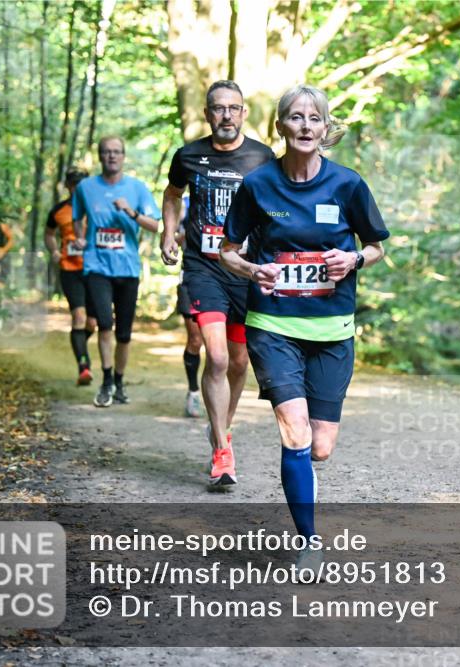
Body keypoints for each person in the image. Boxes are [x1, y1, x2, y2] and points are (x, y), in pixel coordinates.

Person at [221, 84, 388, 571]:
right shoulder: (257, 185)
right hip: (273, 324)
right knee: (293, 431)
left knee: (319, 445)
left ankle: (304, 487)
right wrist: (253, 270)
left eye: (314, 118)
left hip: (332, 328)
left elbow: (377, 246)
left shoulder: (348, 184)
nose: (305, 126)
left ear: (325, 128)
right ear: (280, 127)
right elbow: (228, 251)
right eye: (295, 118)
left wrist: (353, 257)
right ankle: (309, 541)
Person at [160, 80, 275, 487]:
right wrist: (167, 231)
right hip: (203, 269)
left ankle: (221, 427)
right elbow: (172, 194)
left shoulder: (262, 158)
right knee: (219, 357)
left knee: (241, 362)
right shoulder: (189, 155)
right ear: (207, 114)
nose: (226, 115)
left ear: (243, 113)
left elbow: (279, 206)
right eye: (218, 108)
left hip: (246, 271)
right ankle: (222, 450)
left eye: (234, 108)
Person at [72, 137, 161, 407]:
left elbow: (155, 226)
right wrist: (79, 238)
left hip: (128, 269)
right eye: (106, 152)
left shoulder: (137, 188)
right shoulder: (85, 187)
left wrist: (131, 213)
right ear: (100, 157)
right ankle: (107, 380)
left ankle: (120, 382)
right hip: (96, 266)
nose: (111, 156)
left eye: (116, 152)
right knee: (104, 324)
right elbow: (77, 218)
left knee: (124, 333)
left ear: (123, 156)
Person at [45, 167, 98, 385]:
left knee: (92, 324)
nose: (77, 187)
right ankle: (83, 367)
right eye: (73, 184)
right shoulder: (58, 210)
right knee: (79, 317)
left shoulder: (96, 207)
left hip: (95, 270)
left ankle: (80, 346)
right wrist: (55, 251)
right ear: (67, 186)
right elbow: (48, 234)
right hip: (70, 270)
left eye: (81, 184)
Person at [174, 206, 205, 418]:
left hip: (229, 278)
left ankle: (217, 396)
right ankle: (193, 391)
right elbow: (171, 235)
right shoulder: (186, 203)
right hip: (192, 276)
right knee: (195, 339)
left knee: (219, 348)